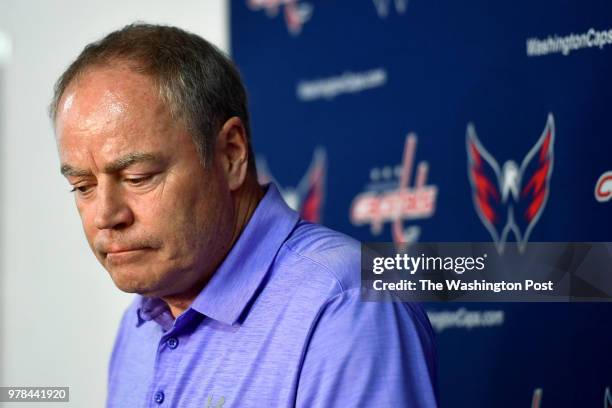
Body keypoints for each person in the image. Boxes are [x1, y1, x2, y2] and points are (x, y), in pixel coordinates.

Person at [50, 23, 437, 407]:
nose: (106, 215)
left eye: (138, 178)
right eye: (83, 186)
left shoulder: (347, 303)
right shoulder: (140, 325)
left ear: (231, 154)